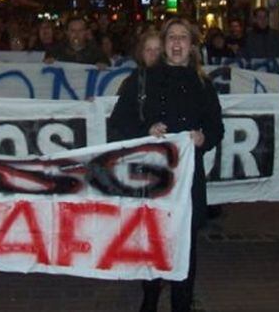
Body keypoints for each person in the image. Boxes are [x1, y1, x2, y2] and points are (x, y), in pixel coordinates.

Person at [109, 18, 224, 312]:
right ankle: (149, 297)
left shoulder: (203, 83)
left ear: (192, 45)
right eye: (171, 37)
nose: (176, 43)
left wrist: (203, 137)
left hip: (187, 179)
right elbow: (120, 121)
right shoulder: (144, 78)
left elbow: (216, 126)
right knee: (154, 241)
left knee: (185, 246)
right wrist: (146, 130)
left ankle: (182, 303)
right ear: (164, 43)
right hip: (153, 175)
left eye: (183, 37)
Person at [44, 17, 110, 68]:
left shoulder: (96, 52)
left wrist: (103, 65)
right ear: (67, 32)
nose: (76, 34)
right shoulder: (55, 51)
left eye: (80, 30)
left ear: (86, 32)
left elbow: (107, 65)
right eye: (73, 31)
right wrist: (47, 62)